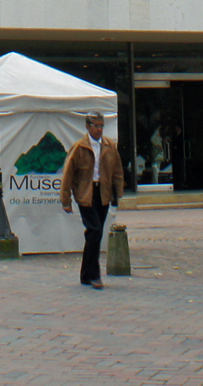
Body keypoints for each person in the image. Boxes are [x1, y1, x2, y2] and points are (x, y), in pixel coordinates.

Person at [61, 113, 125, 289]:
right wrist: (66, 200)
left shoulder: (109, 146)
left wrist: (117, 192)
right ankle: (95, 275)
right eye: (96, 126)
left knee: (93, 234)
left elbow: (117, 170)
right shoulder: (79, 147)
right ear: (87, 127)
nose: (99, 129)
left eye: (101, 126)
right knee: (95, 230)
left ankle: (85, 274)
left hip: (103, 193)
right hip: (85, 194)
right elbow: (67, 174)